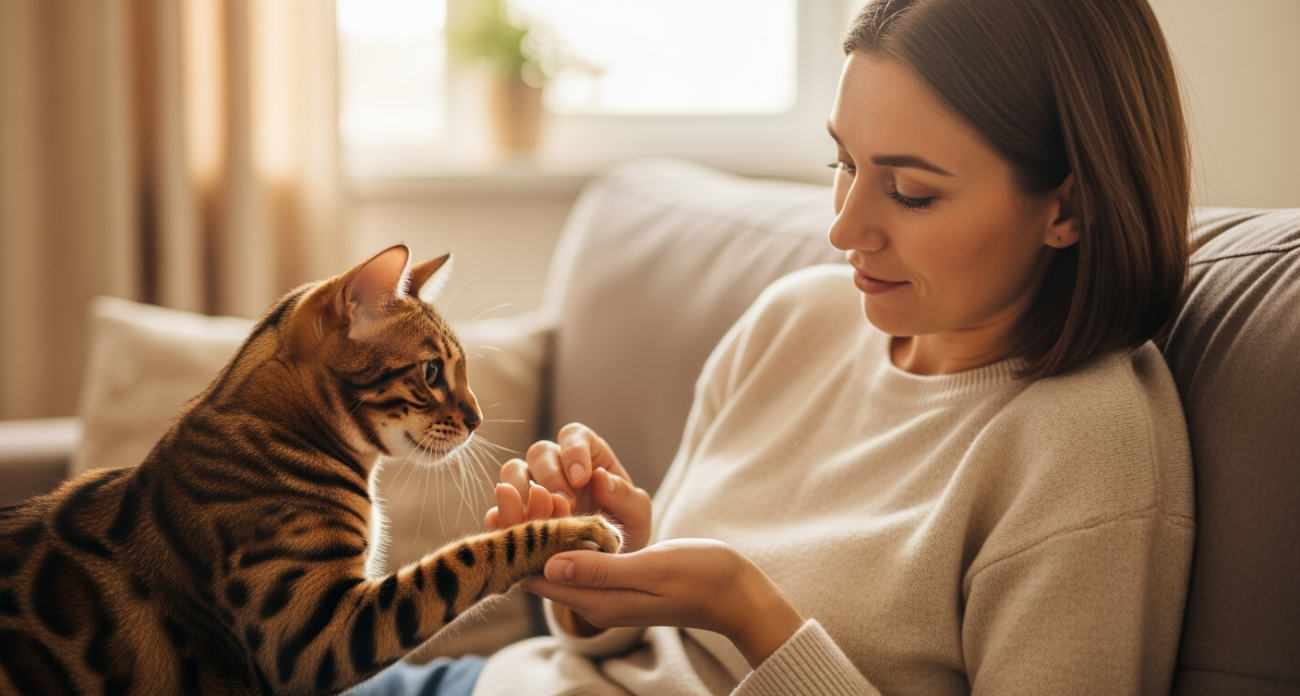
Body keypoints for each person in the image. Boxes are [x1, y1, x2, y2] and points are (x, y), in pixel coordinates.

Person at [350, 0, 1194, 693]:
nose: (844, 229)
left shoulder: (1086, 446)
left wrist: (746, 610)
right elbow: (644, 658)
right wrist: (603, 565)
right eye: (843, 164)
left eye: (909, 192)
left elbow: (724, 620)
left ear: (1067, 208)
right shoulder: (797, 320)